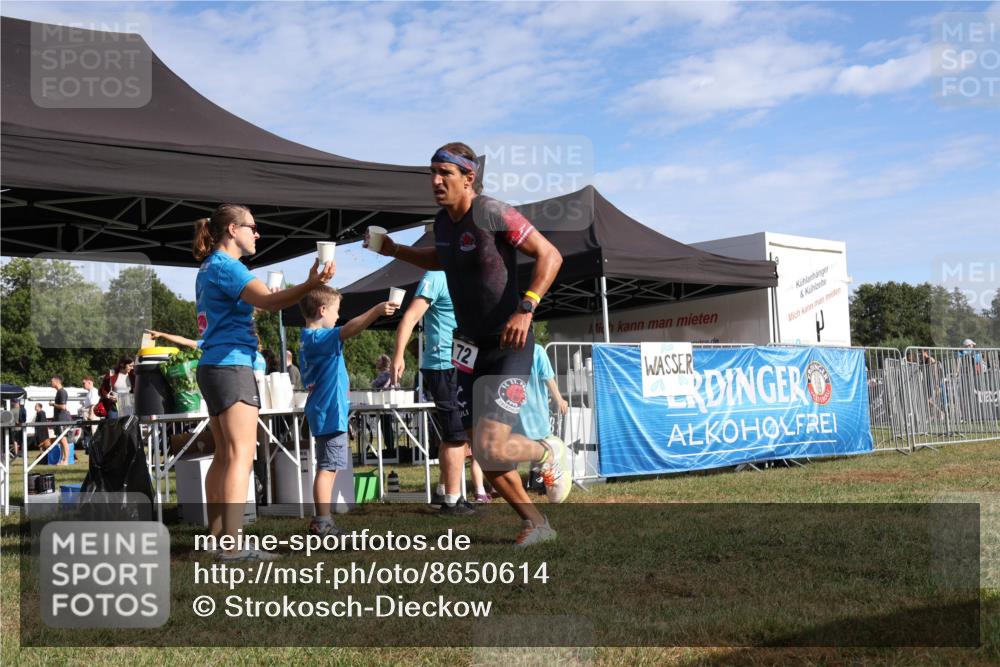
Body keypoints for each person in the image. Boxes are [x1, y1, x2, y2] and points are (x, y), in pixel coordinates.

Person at [366, 141, 569, 547]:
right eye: (432, 173)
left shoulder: (492, 213)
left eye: (445, 173)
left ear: (468, 177)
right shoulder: (443, 224)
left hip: (510, 341)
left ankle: (548, 451)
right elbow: (442, 258)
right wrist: (395, 249)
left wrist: (526, 307)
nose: (436, 181)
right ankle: (538, 524)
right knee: (481, 448)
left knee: (491, 444)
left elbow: (551, 255)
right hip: (469, 347)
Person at [192, 203, 335, 561]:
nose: (257, 234)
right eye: (251, 227)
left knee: (224, 455)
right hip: (231, 367)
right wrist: (311, 283)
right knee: (241, 455)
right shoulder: (229, 267)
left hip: (212, 366)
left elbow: (253, 304)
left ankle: (218, 537)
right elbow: (272, 302)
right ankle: (233, 546)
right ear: (232, 231)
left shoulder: (209, 267)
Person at [299, 286, 398, 537]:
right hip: (330, 412)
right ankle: (322, 521)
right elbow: (349, 330)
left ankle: (323, 520)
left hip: (326, 410)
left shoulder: (309, 340)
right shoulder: (319, 338)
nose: (337, 317)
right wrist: (376, 311)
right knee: (327, 467)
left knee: (330, 466)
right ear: (322, 310)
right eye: (335, 311)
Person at [390, 270, 488, 511]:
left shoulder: (467, 276)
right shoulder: (435, 276)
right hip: (443, 365)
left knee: (453, 433)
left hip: (463, 363)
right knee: (455, 435)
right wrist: (399, 355)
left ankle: (446, 493)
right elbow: (410, 317)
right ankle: (452, 501)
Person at [515, 343, 570, 491]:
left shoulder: (509, 349)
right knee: (546, 451)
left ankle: (511, 486)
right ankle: (550, 484)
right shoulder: (537, 350)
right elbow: (548, 378)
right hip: (535, 411)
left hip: (513, 409)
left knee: (513, 451)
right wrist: (559, 399)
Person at [49, 375, 73, 465]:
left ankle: (65, 460)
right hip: (59, 419)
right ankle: (62, 460)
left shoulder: (62, 392)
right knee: (61, 440)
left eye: (52, 381)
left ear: (57, 381)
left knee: (63, 440)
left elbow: (63, 406)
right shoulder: (59, 392)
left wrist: (53, 404)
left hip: (62, 419)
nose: (51, 383)